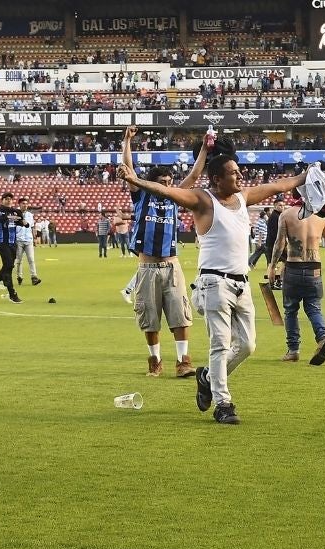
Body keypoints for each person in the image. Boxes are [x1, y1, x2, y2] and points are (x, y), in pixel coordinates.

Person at [118, 151, 309, 425]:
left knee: (247, 345)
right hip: (213, 282)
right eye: (234, 172)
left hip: (241, 284)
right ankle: (223, 403)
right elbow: (166, 190)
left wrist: (304, 176)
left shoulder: (243, 198)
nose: (240, 175)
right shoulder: (203, 200)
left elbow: (278, 186)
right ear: (218, 179)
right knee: (220, 345)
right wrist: (136, 179)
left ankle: (207, 378)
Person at [119, 125, 207, 378]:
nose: (168, 186)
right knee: (150, 318)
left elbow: (195, 174)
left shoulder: (175, 197)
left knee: (180, 314)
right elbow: (129, 170)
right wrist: (127, 141)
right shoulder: (141, 196)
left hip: (172, 265)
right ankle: (155, 360)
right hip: (147, 267)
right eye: (163, 183)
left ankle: (183, 361)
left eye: (170, 183)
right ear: (151, 183)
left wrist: (203, 148)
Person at [269, 194, 325, 364]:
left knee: (290, 310)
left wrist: (272, 267)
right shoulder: (321, 217)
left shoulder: (286, 214)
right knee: (314, 308)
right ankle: (323, 338)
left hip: (293, 267)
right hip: (314, 268)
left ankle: (293, 350)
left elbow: (279, 243)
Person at [0, 192, 24, 303]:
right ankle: (12, 293)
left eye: (10, 199)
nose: (9, 201)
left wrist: (23, 222)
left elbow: (20, 221)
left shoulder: (14, 211)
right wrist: (7, 217)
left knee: (8, 267)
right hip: (2, 242)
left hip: (12, 243)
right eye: (6, 199)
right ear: (2, 200)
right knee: (8, 265)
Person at [14, 197, 40, 285]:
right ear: (19, 204)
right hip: (19, 240)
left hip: (28, 239)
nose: (25, 205)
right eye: (23, 204)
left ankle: (34, 277)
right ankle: (19, 276)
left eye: (26, 204)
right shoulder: (15, 214)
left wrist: (35, 238)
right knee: (19, 260)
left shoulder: (30, 215)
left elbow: (32, 227)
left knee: (31, 259)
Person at [264, 195, 287, 289]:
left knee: (272, 264)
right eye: (280, 205)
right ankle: (279, 282)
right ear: (275, 206)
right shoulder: (276, 217)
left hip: (271, 244)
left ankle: (272, 283)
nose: (282, 207)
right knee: (286, 262)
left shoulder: (275, 216)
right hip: (274, 245)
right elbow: (278, 233)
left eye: (283, 205)